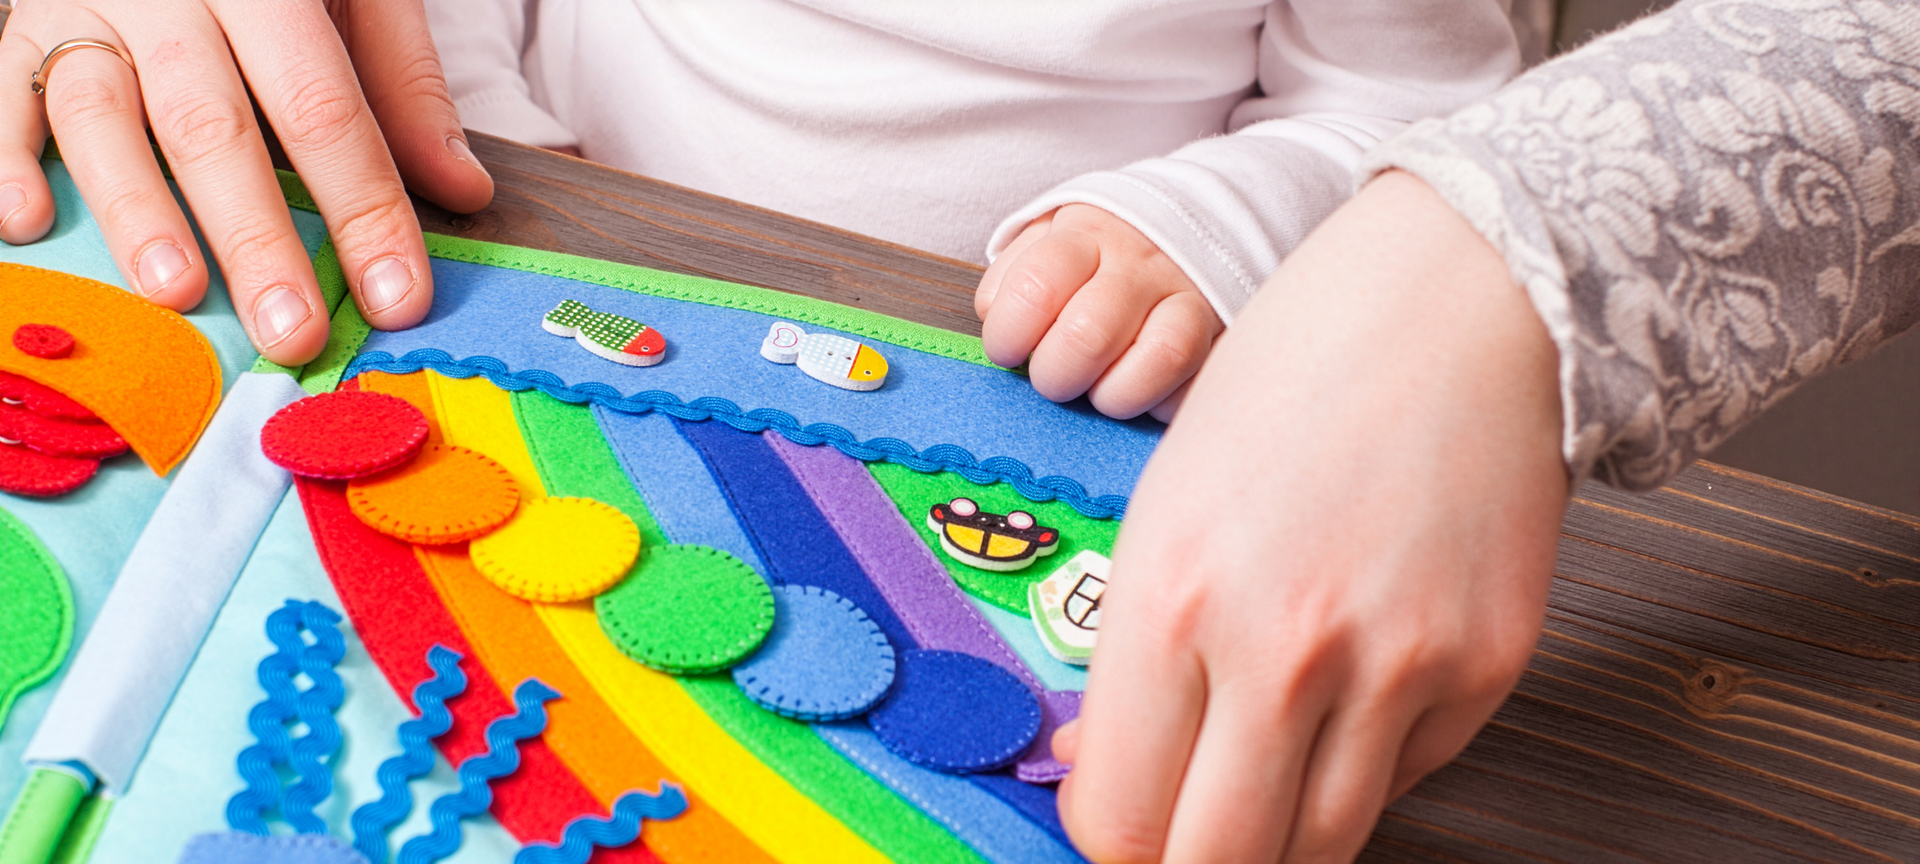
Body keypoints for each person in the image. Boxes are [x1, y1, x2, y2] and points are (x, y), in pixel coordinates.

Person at [8, 0, 1899, 861]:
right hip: (544, 292)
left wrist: (1211, 228)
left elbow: (1401, 134)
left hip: (1036, 418)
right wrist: (509, 154)